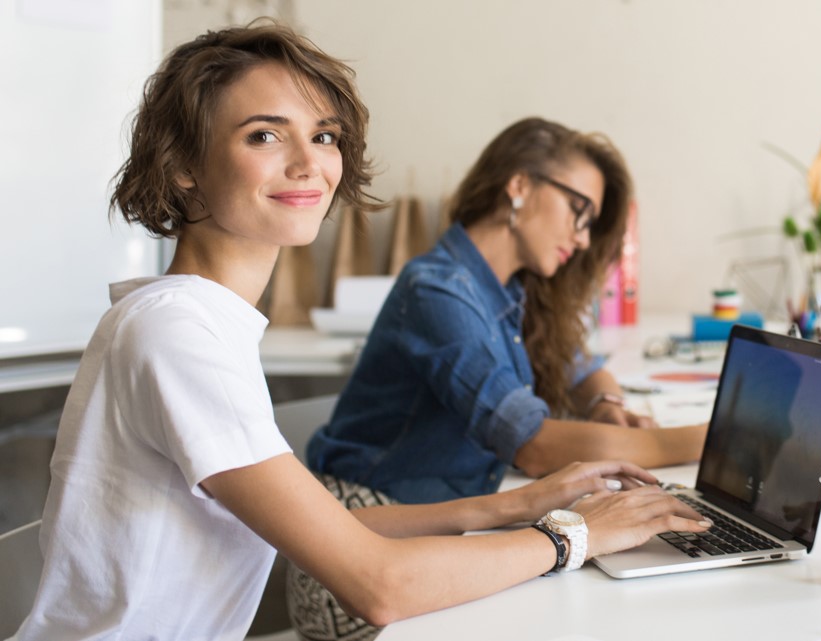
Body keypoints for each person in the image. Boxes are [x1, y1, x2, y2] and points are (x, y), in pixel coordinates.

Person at [9, 23, 709, 641]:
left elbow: (335, 531)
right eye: (264, 134)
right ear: (184, 167)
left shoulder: (200, 323)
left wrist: (520, 504)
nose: (308, 161)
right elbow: (377, 583)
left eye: (322, 136)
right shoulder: (175, 335)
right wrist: (578, 534)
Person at [293, 116, 708, 640]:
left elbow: (583, 367)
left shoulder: (512, 289)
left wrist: (605, 403)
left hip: (439, 525)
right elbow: (533, 446)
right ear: (519, 185)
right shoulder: (439, 292)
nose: (582, 239)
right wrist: (707, 440)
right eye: (579, 212)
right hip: (359, 550)